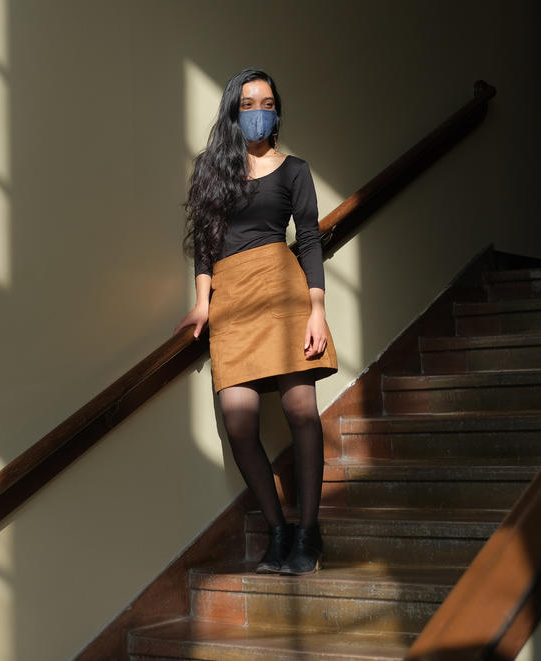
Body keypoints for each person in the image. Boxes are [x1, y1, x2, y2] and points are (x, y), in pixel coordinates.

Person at [175, 68, 338, 575]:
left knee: (302, 411)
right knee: (239, 423)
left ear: (277, 110)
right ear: (233, 111)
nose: (258, 111)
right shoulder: (210, 169)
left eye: (266, 102)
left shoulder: (295, 170)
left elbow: (308, 240)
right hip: (232, 298)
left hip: (283, 289)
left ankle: (309, 533)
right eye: (248, 103)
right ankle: (277, 530)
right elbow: (205, 243)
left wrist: (317, 311)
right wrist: (203, 302)